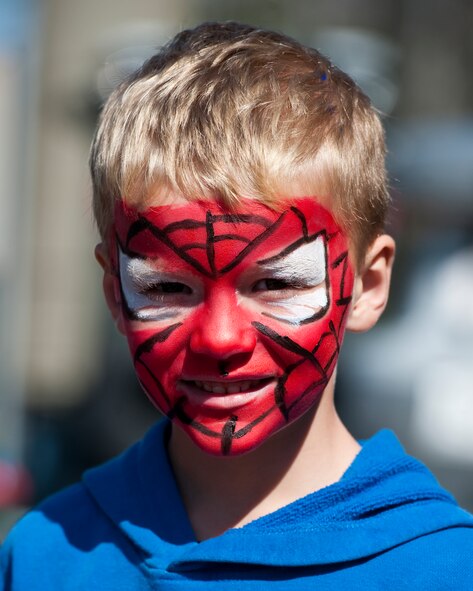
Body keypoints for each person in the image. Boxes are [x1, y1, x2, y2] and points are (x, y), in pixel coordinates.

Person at [1, 21, 472, 590]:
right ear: (114, 295)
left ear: (368, 286)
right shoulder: (44, 555)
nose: (220, 339)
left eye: (275, 285)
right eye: (168, 289)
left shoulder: (445, 567)